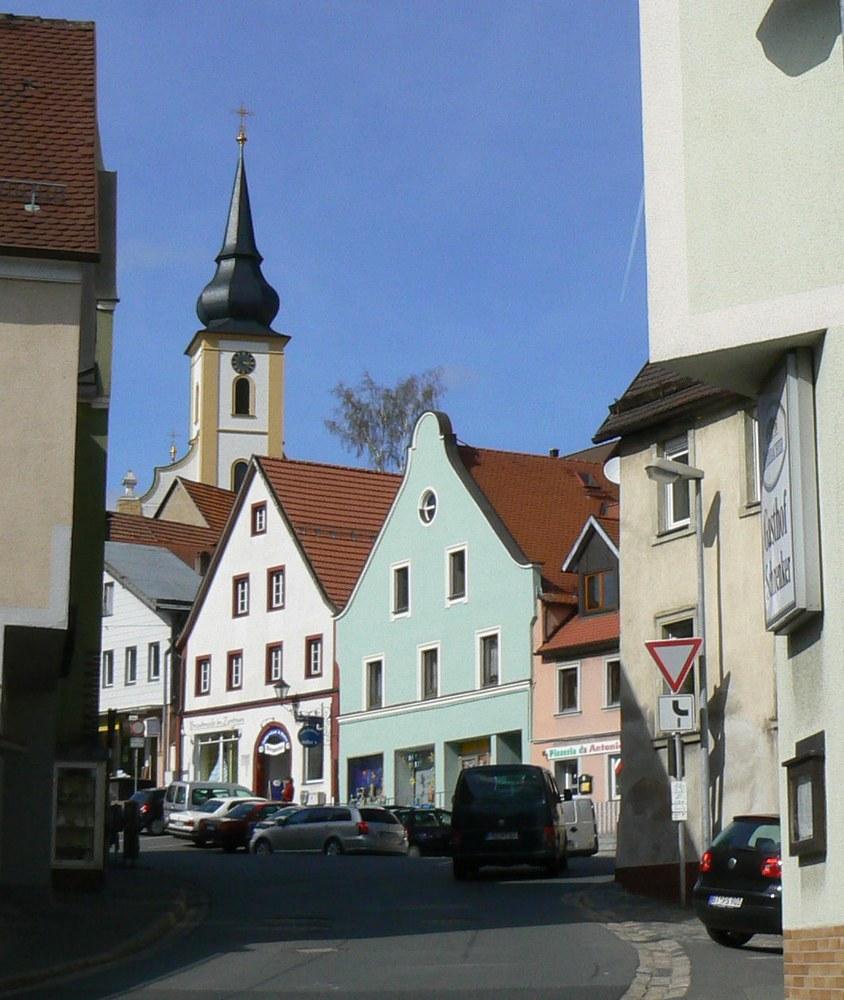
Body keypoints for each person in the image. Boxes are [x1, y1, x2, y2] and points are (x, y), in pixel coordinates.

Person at [122, 797, 140, 867]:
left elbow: (124, 818)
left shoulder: (127, 810)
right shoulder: (135, 809)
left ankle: (128, 861)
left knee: (129, 845)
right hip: (133, 829)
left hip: (129, 829)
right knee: (133, 845)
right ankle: (132, 861)